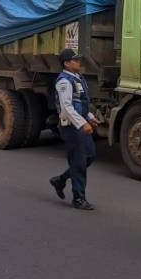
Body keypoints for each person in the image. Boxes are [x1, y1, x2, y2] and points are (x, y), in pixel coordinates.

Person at [48, 49, 100, 211]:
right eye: (75, 60)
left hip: (80, 123)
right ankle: (78, 198)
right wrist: (81, 123)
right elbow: (67, 107)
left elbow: (81, 103)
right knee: (79, 162)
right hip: (71, 126)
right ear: (67, 63)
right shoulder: (64, 81)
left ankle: (61, 179)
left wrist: (89, 117)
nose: (79, 62)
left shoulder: (77, 78)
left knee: (90, 156)